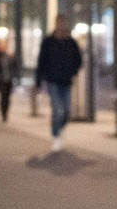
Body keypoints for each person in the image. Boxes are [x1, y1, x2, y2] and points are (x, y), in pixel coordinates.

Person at [35, 17, 83, 152]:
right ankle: (55, 136)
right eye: (59, 23)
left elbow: (78, 59)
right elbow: (41, 61)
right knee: (56, 110)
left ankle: (60, 129)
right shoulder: (48, 42)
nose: (61, 26)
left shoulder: (71, 42)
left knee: (67, 110)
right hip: (53, 81)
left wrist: (73, 71)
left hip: (66, 81)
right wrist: (39, 80)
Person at [0, 39, 18, 123]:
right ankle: (3, 114)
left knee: (7, 97)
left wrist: (14, 75)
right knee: (3, 96)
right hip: (1, 80)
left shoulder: (10, 57)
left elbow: (15, 67)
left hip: (9, 80)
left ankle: (6, 113)